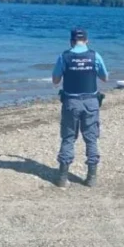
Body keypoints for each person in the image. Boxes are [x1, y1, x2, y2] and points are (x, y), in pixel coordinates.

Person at [51, 28, 108, 188]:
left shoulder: (64, 56)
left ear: (71, 41)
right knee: (91, 138)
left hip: (71, 101)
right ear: (87, 41)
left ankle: (62, 178)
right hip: (91, 101)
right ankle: (91, 178)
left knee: (68, 138)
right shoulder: (95, 56)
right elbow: (104, 77)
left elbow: (55, 80)